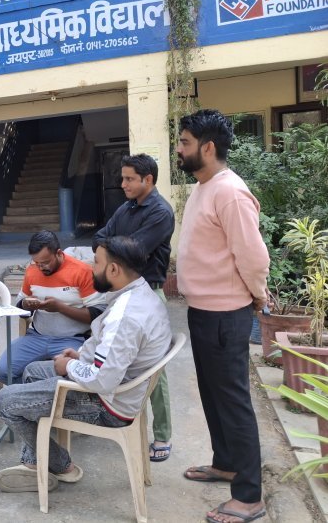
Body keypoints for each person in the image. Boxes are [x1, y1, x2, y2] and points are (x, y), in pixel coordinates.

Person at [0, 236, 172, 493]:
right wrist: (80, 357)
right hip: (118, 387)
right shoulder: (137, 293)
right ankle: (35, 462)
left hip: (108, 405)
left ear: (113, 269)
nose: (91, 268)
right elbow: (109, 350)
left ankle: (60, 464)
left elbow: (103, 380)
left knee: (6, 401)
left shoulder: (127, 315)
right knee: (32, 371)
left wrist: (68, 367)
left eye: (96, 262)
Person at [175, 109, 268, 523]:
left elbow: (253, 256)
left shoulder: (229, 192)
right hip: (203, 312)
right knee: (214, 396)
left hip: (225, 315)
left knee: (233, 403)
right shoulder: (204, 186)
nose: (178, 149)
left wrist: (258, 297)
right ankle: (226, 463)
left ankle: (249, 496)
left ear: (207, 148)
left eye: (184, 142)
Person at [93, 153, 176, 462]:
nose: (123, 183)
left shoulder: (160, 212)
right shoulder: (126, 207)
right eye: (123, 178)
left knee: (154, 371)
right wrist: (114, 246)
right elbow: (101, 238)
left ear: (148, 180)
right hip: (119, 292)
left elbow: (134, 253)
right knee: (111, 354)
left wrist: (114, 247)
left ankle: (163, 435)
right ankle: (116, 416)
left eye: (129, 179)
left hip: (148, 293)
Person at [0, 230, 105, 385]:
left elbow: (97, 314)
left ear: (58, 253)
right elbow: (21, 307)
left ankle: (40, 395)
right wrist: (26, 305)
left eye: (45, 262)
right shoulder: (32, 270)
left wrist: (61, 308)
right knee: (1, 371)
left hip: (72, 340)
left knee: (72, 377)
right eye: (37, 263)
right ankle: (34, 394)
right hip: (37, 336)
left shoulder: (81, 271)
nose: (41, 267)